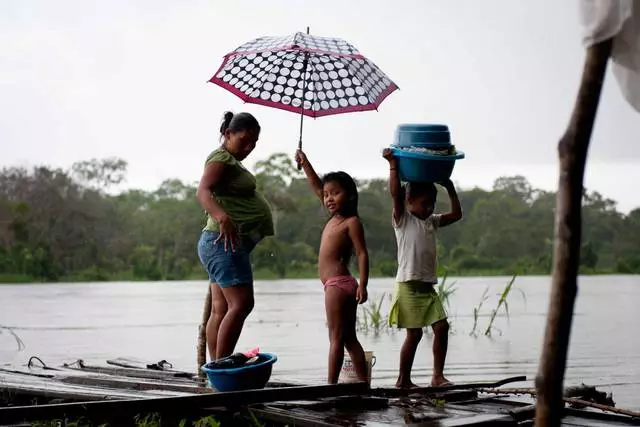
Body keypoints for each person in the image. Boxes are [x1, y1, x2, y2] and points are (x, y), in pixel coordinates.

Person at [196, 111, 273, 361]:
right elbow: (203, 191)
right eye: (245, 140)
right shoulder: (220, 157)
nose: (250, 147)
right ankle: (221, 368)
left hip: (220, 244)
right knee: (241, 305)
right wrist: (222, 217)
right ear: (228, 134)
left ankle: (215, 368)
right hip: (223, 242)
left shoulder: (231, 161)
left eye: (254, 143)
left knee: (220, 310)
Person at [382, 148, 463, 388]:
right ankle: (403, 380)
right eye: (424, 203)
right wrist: (393, 165)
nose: (429, 208)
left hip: (427, 288)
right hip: (408, 285)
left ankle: (437, 376)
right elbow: (395, 194)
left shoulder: (432, 221)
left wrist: (450, 188)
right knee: (414, 335)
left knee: (442, 327)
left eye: (432, 203)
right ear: (409, 202)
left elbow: (457, 214)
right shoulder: (403, 219)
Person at [295, 149, 370, 384]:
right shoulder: (334, 219)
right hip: (340, 285)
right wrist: (305, 163)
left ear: (348, 196)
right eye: (326, 195)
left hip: (339, 285)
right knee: (349, 339)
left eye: (335, 193)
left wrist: (364, 284)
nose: (328, 198)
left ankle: (331, 386)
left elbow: (362, 253)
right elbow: (317, 186)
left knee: (336, 338)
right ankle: (362, 384)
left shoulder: (351, 222)